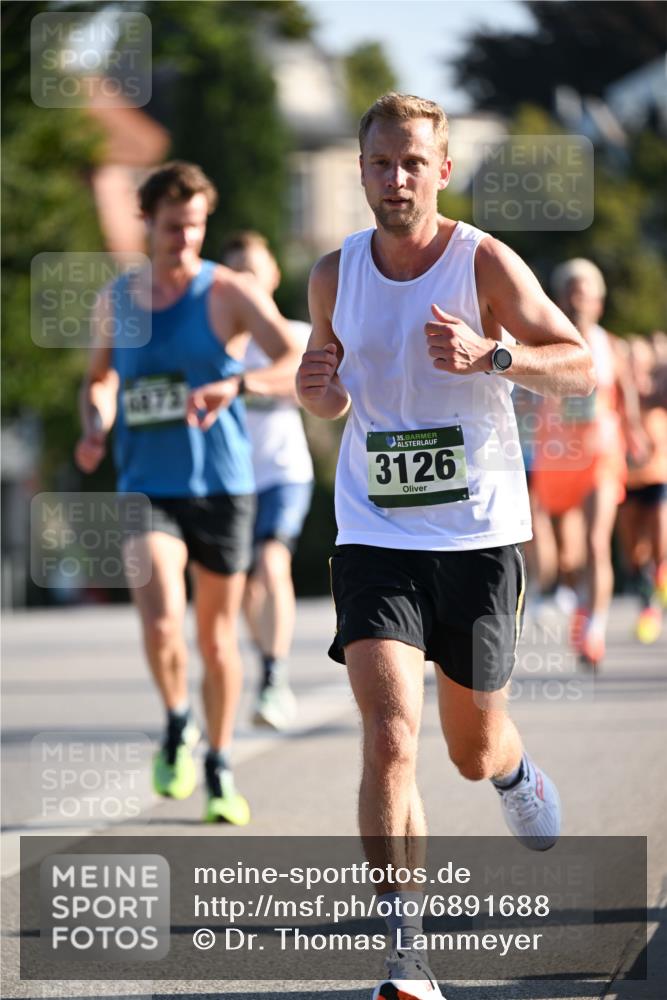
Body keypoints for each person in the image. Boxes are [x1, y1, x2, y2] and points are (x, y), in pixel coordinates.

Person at [296, 93, 595, 1000]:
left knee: (469, 748)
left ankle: (510, 769)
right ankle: (405, 953)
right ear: (361, 170)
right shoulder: (332, 274)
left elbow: (580, 365)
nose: (395, 179)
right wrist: (316, 388)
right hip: (375, 531)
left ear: (442, 171)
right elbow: (330, 394)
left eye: (412, 163)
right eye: (380, 163)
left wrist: (492, 357)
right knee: (390, 735)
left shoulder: (482, 261)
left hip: (477, 535)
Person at [75, 161, 298, 825]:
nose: (186, 240)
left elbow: (296, 361)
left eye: (196, 226)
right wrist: (97, 422)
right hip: (146, 486)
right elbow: (99, 379)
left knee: (217, 640)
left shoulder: (228, 292)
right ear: (147, 222)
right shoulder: (117, 301)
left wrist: (237, 384)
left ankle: (219, 763)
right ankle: (177, 720)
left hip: (223, 488)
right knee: (162, 619)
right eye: (174, 227)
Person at [531, 259, 646, 668]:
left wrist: (636, 433)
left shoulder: (611, 346)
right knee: (569, 556)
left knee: (598, 542)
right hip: (556, 459)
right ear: (560, 300)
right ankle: (578, 599)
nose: (578, 301)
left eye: (586, 293)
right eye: (571, 293)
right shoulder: (545, 343)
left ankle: (593, 628)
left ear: (599, 302)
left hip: (601, 454)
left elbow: (627, 394)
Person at [220, 231, 314, 729]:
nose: (248, 284)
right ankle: (268, 666)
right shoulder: (219, 341)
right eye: (237, 275)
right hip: (232, 478)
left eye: (254, 273)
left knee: (272, 565)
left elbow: (310, 384)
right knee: (242, 589)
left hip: (284, 473)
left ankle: (274, 678)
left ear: (273, 275)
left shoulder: (295, 334)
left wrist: (246, 384)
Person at [617, 335, 667, 642]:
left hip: (658, 474)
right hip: (626, 478)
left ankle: (660, 588)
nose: (634, 363)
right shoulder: (620, 391)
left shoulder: (658, 389)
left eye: (640, 357)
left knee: (661, 542)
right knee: (634, 552)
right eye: (630, 357)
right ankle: (647, 603)